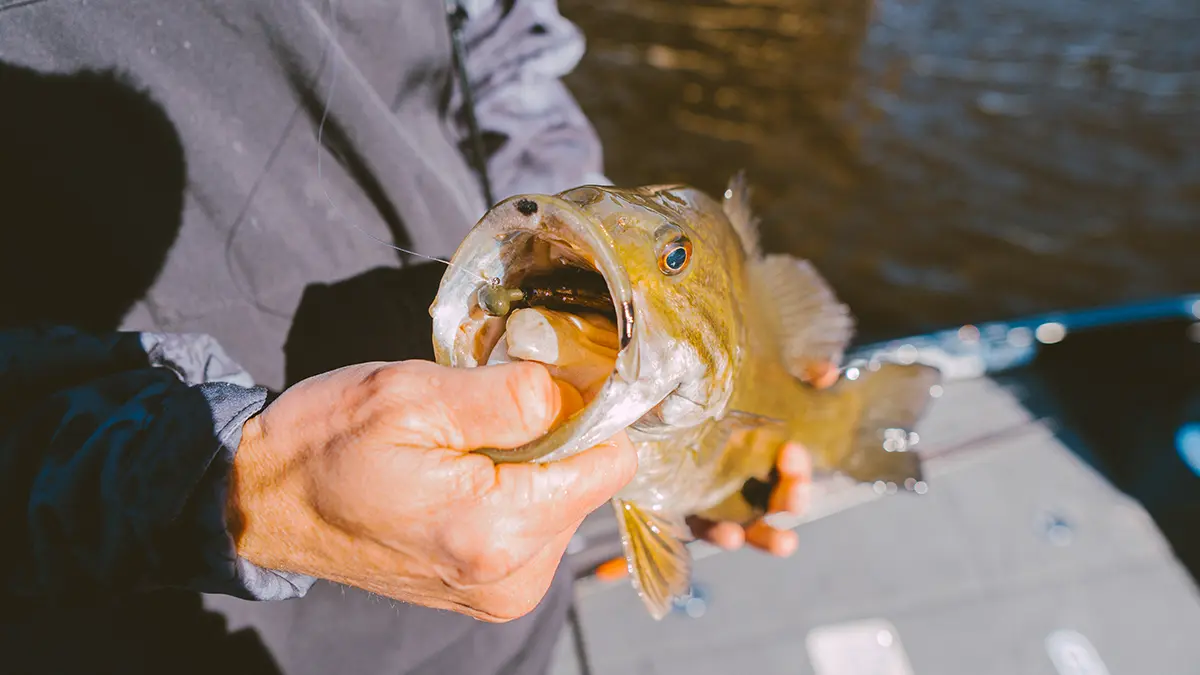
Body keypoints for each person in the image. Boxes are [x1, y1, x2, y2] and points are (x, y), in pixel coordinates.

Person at [0, 1, 813, 674]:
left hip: (509, 633)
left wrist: (702, 468)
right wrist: (239, 487)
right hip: (152, 636)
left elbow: (502, 50)